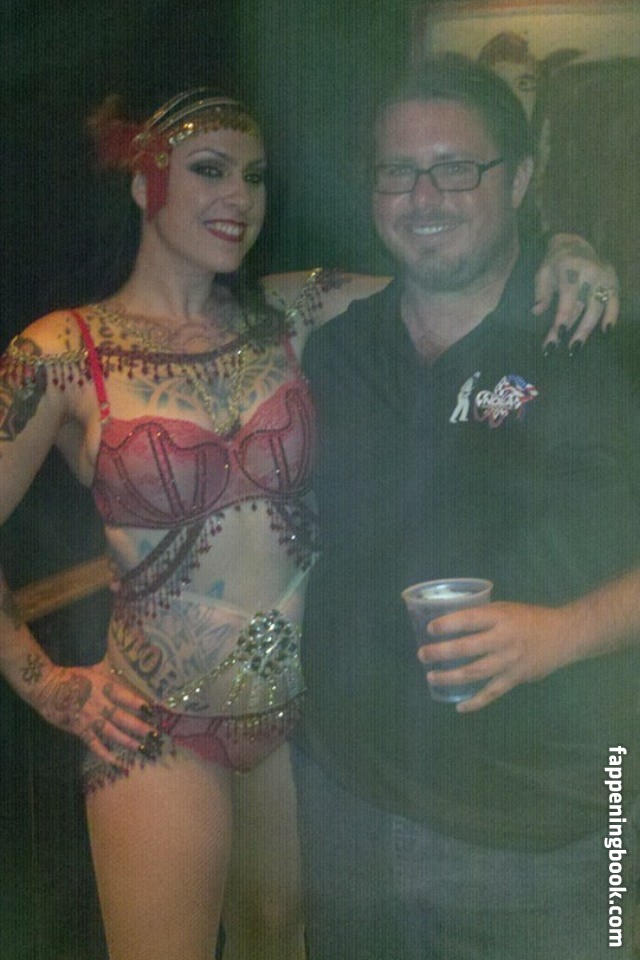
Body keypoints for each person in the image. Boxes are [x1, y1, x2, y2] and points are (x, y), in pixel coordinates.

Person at [0, 84, 619, 959]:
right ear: (144, 184)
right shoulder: (62, 351)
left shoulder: (286, 313)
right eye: (207, 170)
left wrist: (566, 247)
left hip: (299, 726)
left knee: (283, 948)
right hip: (158, 721)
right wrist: (48, 684)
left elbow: (449, 265)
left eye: (253, 176)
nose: (237, 196)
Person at [294, 54, 640, 960]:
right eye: (398, 171)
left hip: (555, 832)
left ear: (519, 180)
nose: (424, 197)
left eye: (456, 168)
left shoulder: (604, 346)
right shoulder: (335, 353)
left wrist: (563, 632)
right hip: (349, 814)